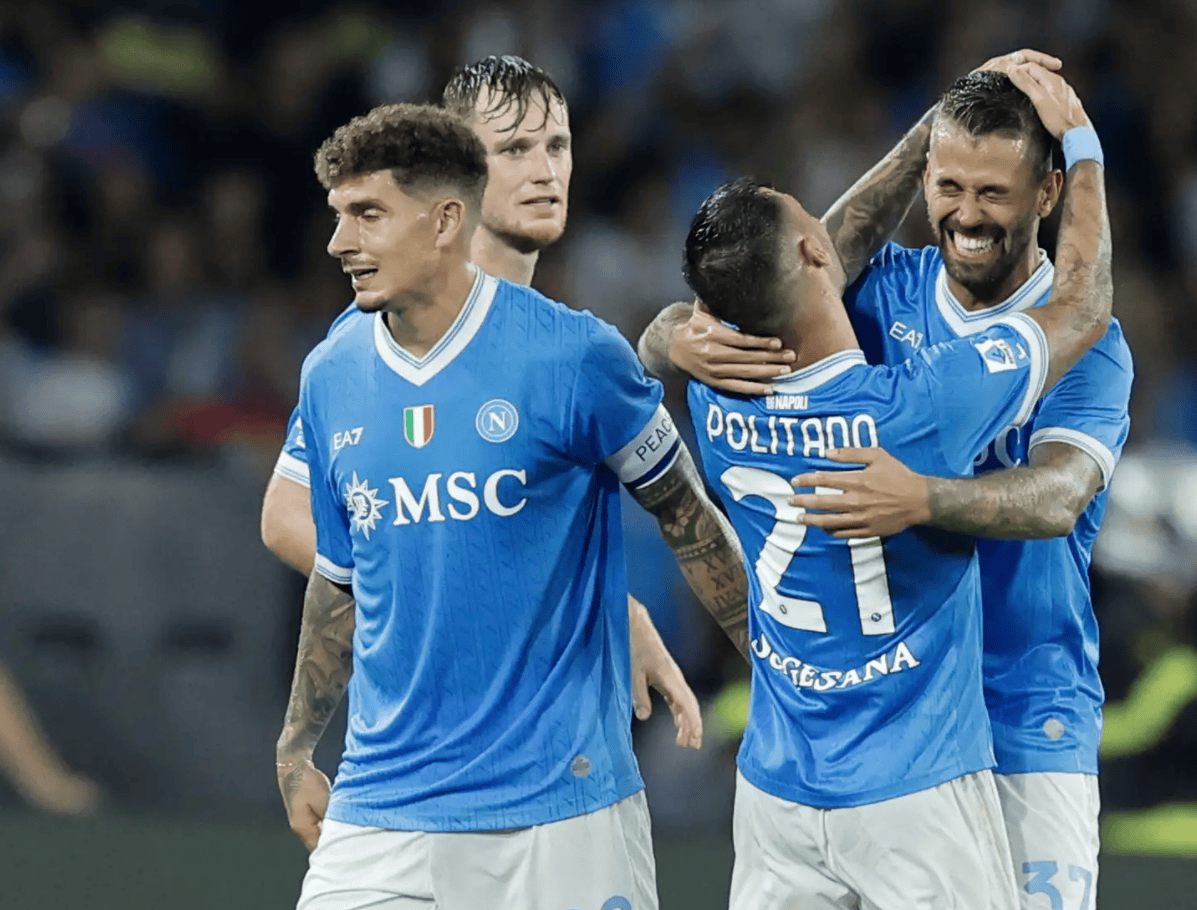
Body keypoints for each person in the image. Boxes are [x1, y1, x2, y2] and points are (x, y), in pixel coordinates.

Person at [643, 57, 1131, 909]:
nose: (966, 214)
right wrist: (671, 335)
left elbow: (1059, 495)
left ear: (1047, 194)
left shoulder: (1095, 353)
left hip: (1023, 707)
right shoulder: (880, 292)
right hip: (887, 722)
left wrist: (927, 499)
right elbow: (783, 277)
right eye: (949, 186)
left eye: (993, 192)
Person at [277, 103, 749, 909]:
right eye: (338, 215)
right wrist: (296, 745)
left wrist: (786, 678)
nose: (339, 242)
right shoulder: (332, 373)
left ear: (444, 220)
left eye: (367, 214)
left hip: (558, 812)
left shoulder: (575, 356)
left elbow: (693, 523)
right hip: (379, 811)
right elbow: (339, 577)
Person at [259, 57, 702, 754]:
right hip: (423, 737)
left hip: (556, 745)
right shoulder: (382, 330)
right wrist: (470, 592)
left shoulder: (563, 339)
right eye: (514, 150)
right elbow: (286, 516)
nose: (544, 172)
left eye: (556, 147)